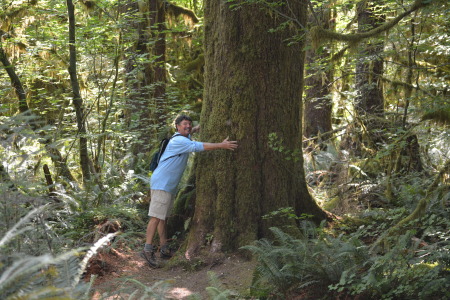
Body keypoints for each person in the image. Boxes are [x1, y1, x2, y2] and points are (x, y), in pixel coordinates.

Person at [141, 114, 238, 267]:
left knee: (162, 217)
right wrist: (221, 145)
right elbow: (198, 146)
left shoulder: (182, 137)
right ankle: (147, 250)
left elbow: (190, 133)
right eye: (184, 124)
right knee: (155, 217)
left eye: (189, 124)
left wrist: (197, 127)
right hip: (162, 184)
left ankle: (164, 247)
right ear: (177, 127)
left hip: (166, 184)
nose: (188, 126)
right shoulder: (179, 141)